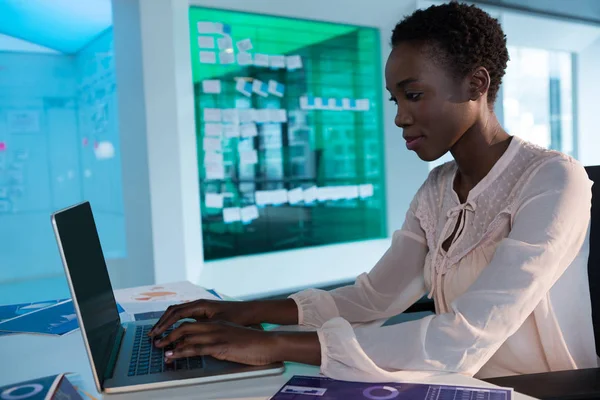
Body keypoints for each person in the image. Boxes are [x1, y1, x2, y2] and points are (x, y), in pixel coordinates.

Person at [149, 2, 598, 380]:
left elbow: (462, 339)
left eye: (414, 95)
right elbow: (372, 299)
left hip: (538, 389)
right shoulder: (437, 190)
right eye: (395, 100)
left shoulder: (554, 179)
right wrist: (244, 313)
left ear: (476, 84)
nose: (400, 116)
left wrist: (269, 344)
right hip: (455, 384)